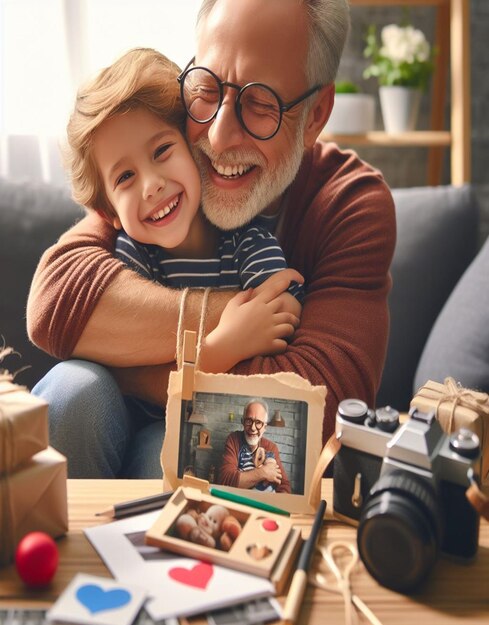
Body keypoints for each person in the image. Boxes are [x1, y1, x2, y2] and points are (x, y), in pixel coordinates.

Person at [27, 0, 396, 479]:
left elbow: (312, 410)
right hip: (116, 420)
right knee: (71, 389)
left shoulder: (350, 201)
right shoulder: (164, 165)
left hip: (214, 450)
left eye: (261, 104)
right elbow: (58, 304)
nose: (219, 137)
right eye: (206, 88)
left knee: (174, 451)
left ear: (317, 113)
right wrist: (236, 321)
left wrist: (131, 365)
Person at [65, 47, 301, 378]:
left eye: (162, 151)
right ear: (109, 212)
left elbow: (286, 310)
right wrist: (225, 345)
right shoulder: (131, 258)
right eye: (125, 177)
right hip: (145, 419)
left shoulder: (248, 244)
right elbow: (121, 362)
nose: (150, 185)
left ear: (194, 147)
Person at [219, 399, 291, 493]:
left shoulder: (271, 448)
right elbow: (226, 480)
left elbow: (284, 485)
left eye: (258, 422)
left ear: (265, 427)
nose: (253, 428)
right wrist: (263, 473)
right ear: (243, 422)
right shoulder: (233, 439)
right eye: (249, 421)